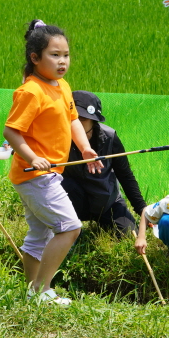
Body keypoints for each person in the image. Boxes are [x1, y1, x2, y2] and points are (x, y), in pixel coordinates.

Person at [3, 19, 102, 306]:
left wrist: (84, 148)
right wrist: (33, 156)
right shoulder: (31, 91)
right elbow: (10, 130)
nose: (62, 62)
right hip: (34, 174)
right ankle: (41, 290)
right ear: (35, 58)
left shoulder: (61, 86)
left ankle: (31, 293)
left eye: (66, 55)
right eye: (54, 55)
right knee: (70, 227)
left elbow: (72, 119)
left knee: (39, 235)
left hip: (49, 174)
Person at [61, 90, 146, 235]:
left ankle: (102, 220)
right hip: (72, 201)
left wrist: (142, 209)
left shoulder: (110, 137)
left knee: (128, 234)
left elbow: (125, 176)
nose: (76, 123)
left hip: (106, 201)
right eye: (72, 118)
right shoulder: (58, 138)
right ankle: (71, 230)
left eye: (82, 119)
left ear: (93, 121)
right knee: (62, 184)